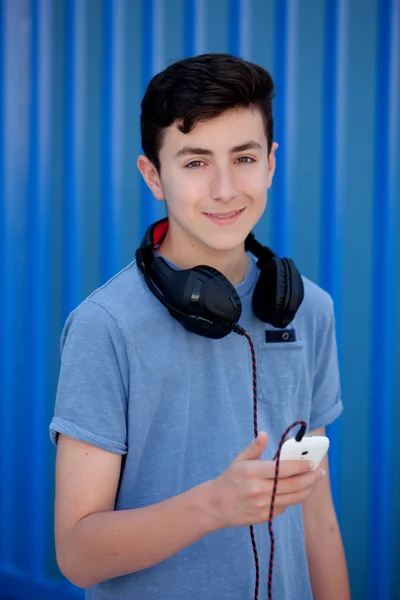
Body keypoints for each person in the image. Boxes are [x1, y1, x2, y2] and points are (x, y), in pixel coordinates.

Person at [50, 53, 350, 600]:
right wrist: (214, 505)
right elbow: (77, 556)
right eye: (194, 163)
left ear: (271, 164)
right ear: (153, 176)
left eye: (243, 158)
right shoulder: (105, 326)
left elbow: (318, 519)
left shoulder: (310, 310)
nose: (225, 189)